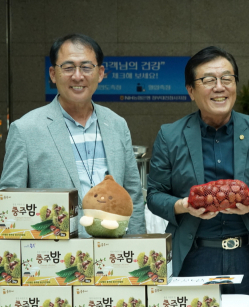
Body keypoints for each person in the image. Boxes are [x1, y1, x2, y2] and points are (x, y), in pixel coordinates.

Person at [146, 46, 249, 297]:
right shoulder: (170, 135)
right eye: (208, 80)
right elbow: (154, 195)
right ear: (190, 91)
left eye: (227, 79)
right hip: (195, 254)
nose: (219, 87)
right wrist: (182, 205)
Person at [0, 33, 145, 236]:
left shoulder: (116, 124)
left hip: (113, 251)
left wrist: (136, 244)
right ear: (52, 74)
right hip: (56, 255)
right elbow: (10, 201)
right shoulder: (25, 129)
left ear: (101, 73)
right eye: (68, 67)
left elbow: (133, 195)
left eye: (86, 67)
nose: (78, 76)